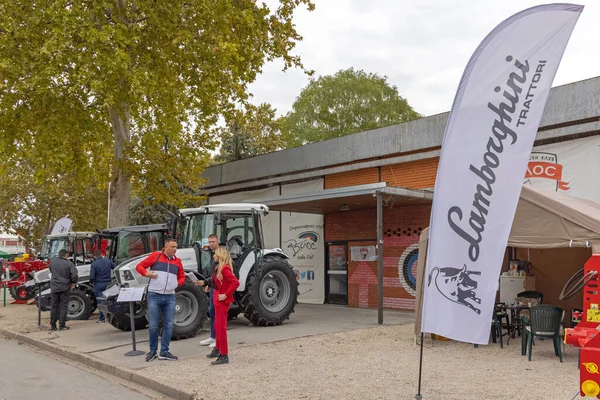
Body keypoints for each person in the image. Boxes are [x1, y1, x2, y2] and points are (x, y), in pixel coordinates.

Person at [136, 239, 186, 362]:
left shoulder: (177, 261)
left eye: (176, 246)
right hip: (154, 295)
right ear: (166, 247)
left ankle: (164, 351)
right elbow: (139, 266)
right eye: (172, 246)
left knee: (169, 325)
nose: (175, 249)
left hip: (170, 296)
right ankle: (153, 351)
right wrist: (146, 274)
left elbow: (182, 276)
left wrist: (176, 284)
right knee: (153, 325)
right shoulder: (155, 256)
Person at [200, 246, 239, 365]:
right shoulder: (219, 267)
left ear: (220, 256)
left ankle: (224, 354)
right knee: (217, 326)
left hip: (221, 300)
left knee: (221, 328)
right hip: (217, 298)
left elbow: (235, 282)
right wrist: (209, 285)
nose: (213, 256)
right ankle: (218, 349)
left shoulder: (224, 268)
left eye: (215, 254)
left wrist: (226, 294)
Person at [196, 234, 219, 347]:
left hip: (219, 289)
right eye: (209, 242)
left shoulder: (221, 255)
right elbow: (212, 273)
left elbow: (219, 273)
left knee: (217, 313)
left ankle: (218, 339)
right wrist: (209, 284)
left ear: (217, 241)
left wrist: (206, 282)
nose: (211, 244)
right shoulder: (211, 254)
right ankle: (212, 336)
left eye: (213, 241)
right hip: (213, 287)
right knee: (212, 312)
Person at [49, 249, 78, 331]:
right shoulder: (69, 263)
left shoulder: (53, 262)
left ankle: (53, 325)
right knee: (63, 306)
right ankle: (62, 325)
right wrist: (73, 282)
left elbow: (51, 270)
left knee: (54, 306)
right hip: (65, 286)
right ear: (66, 255)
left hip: (54, 287)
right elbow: (74, 274)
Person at [89, 250, 116, 323]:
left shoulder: (94, 264)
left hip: (98, 284)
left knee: (100, 301)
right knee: (110, 300)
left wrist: (92, 282)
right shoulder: (108, 261)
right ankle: (111, 317)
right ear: (101, 254)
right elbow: (116, 268)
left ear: (94, 256)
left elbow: (92, 277)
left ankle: (102, 318)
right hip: (108, 284)